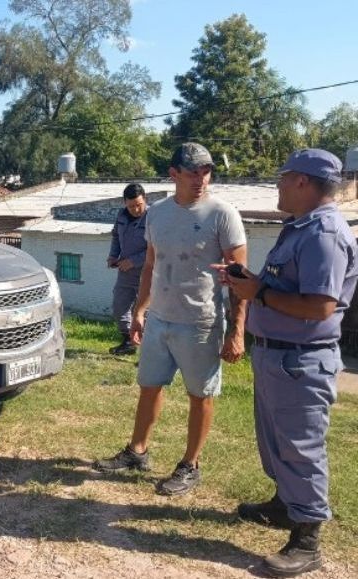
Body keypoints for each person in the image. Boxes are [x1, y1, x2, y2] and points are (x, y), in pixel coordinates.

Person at [216, 149, 357, 577]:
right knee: (276, 442)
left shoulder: (324, 234)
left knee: (300, 448)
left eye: (283, 177)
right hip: (278, 356)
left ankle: (307, 542)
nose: (277, 184)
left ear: (303, 182)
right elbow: (286, 286)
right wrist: (250, 282)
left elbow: (319, 306)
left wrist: (258, 292)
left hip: (301, 360)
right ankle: (285, 505)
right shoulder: (300, 227)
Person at [93, 142, 247, 496]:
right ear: (173, 174)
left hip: (201, 323)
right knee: (149, 386)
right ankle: (138, 451)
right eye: (193, 172)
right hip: (159, 319)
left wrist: (237, 330)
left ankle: (191, 464)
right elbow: (151, 265)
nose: (201, 179)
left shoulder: (222, 214)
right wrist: (140, 311)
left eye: (206, 171)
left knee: (200, 395)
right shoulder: (157, 214)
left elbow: (239, 278)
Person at [107, 183, 148, 355]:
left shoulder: (154, 217)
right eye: (131, 206)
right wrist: (113, 256)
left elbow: (157, 248)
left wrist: (134, 261)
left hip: (147, 273)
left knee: (146, 311)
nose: (136, 210)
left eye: (139, 205)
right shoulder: (121, 215)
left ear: (145, 200)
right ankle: (129, 342)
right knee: (119, 307)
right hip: (125, 272)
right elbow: (116, 236)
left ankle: (149, 349)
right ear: (124, 203)